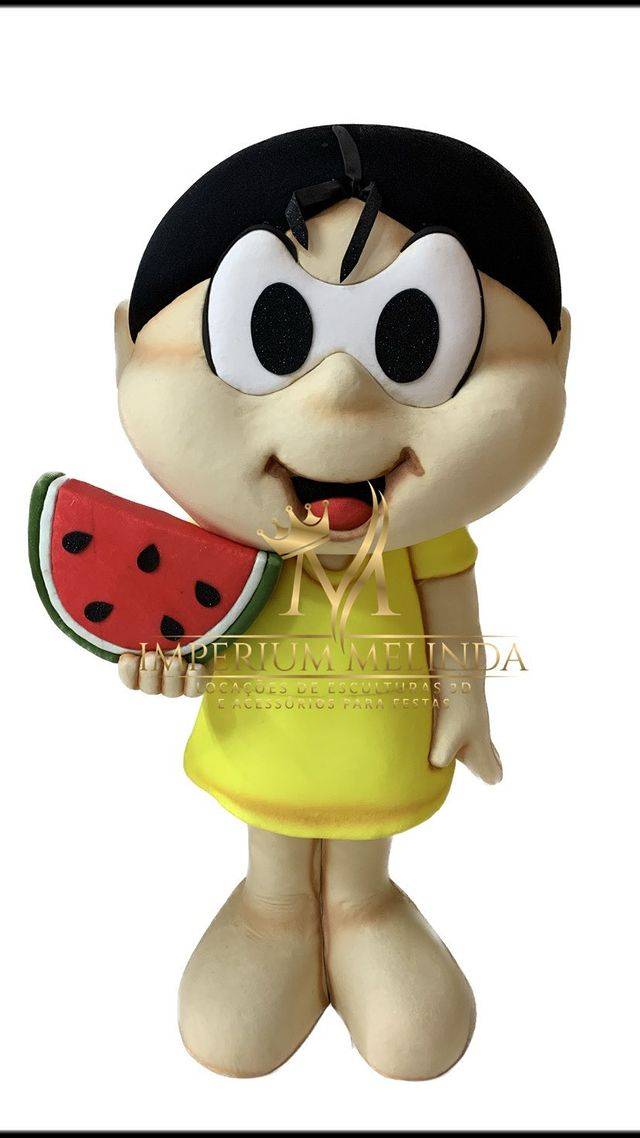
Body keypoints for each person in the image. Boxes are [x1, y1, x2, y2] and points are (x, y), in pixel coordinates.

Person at [115, 124, 569, 1079]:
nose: (338, 393)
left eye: (411, 336)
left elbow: (449, 595)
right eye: (275, 330)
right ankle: (274, 909)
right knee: (274, 859)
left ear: (560, 354)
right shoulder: (228, 535)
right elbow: (190, 613)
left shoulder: (419, 534)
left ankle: (361, 907)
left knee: (367, 870)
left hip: (381, 730)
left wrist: (465, 699)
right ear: (126, 347)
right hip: (265, 729)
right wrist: (170, 657)